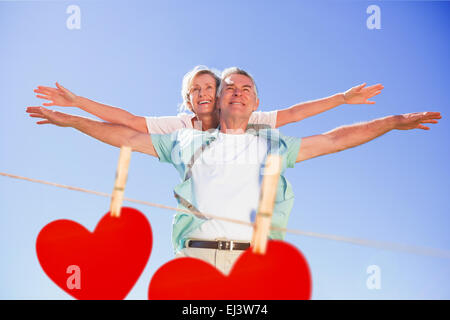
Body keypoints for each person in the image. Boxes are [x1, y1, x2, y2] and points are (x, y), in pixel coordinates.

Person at [27, 68, 441, 275]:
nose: (235, 93)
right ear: (212, 103)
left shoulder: (272, 140)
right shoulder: (184, 137)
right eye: (228, 89)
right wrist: (75, 117)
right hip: (196, 264)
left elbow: (334, 138)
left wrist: (390, 122)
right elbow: (126, 132)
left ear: (255, 102)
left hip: (257, 268)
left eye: (246, 89)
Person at [32, 65, 384, 134]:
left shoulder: (244, 120)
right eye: (194, 91)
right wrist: (77, 103)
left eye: (208, 89)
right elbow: (129, 121)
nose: (202, 94)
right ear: (187, 103)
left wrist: (342, 98)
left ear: (219, 98)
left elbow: (294, 113)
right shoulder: (184, 125)